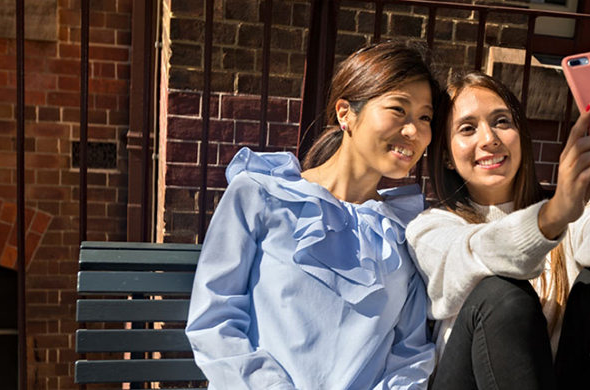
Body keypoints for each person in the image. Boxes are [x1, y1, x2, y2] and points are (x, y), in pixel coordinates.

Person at [184, 42, 444, 390]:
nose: (414, 131)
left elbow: (409, 355)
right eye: (399, 109)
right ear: (345, 113)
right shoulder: (260, 194)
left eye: (424, 117)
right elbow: (214, 321)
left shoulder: (403, 232)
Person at [406, 72, 590, 390]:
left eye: (502, 122)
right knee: (502, 295)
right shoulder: (432, 228)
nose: (489, 138)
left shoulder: (572, 208)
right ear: (445, 157)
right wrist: (552, 216)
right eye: (468, 128)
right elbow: (475, 252)